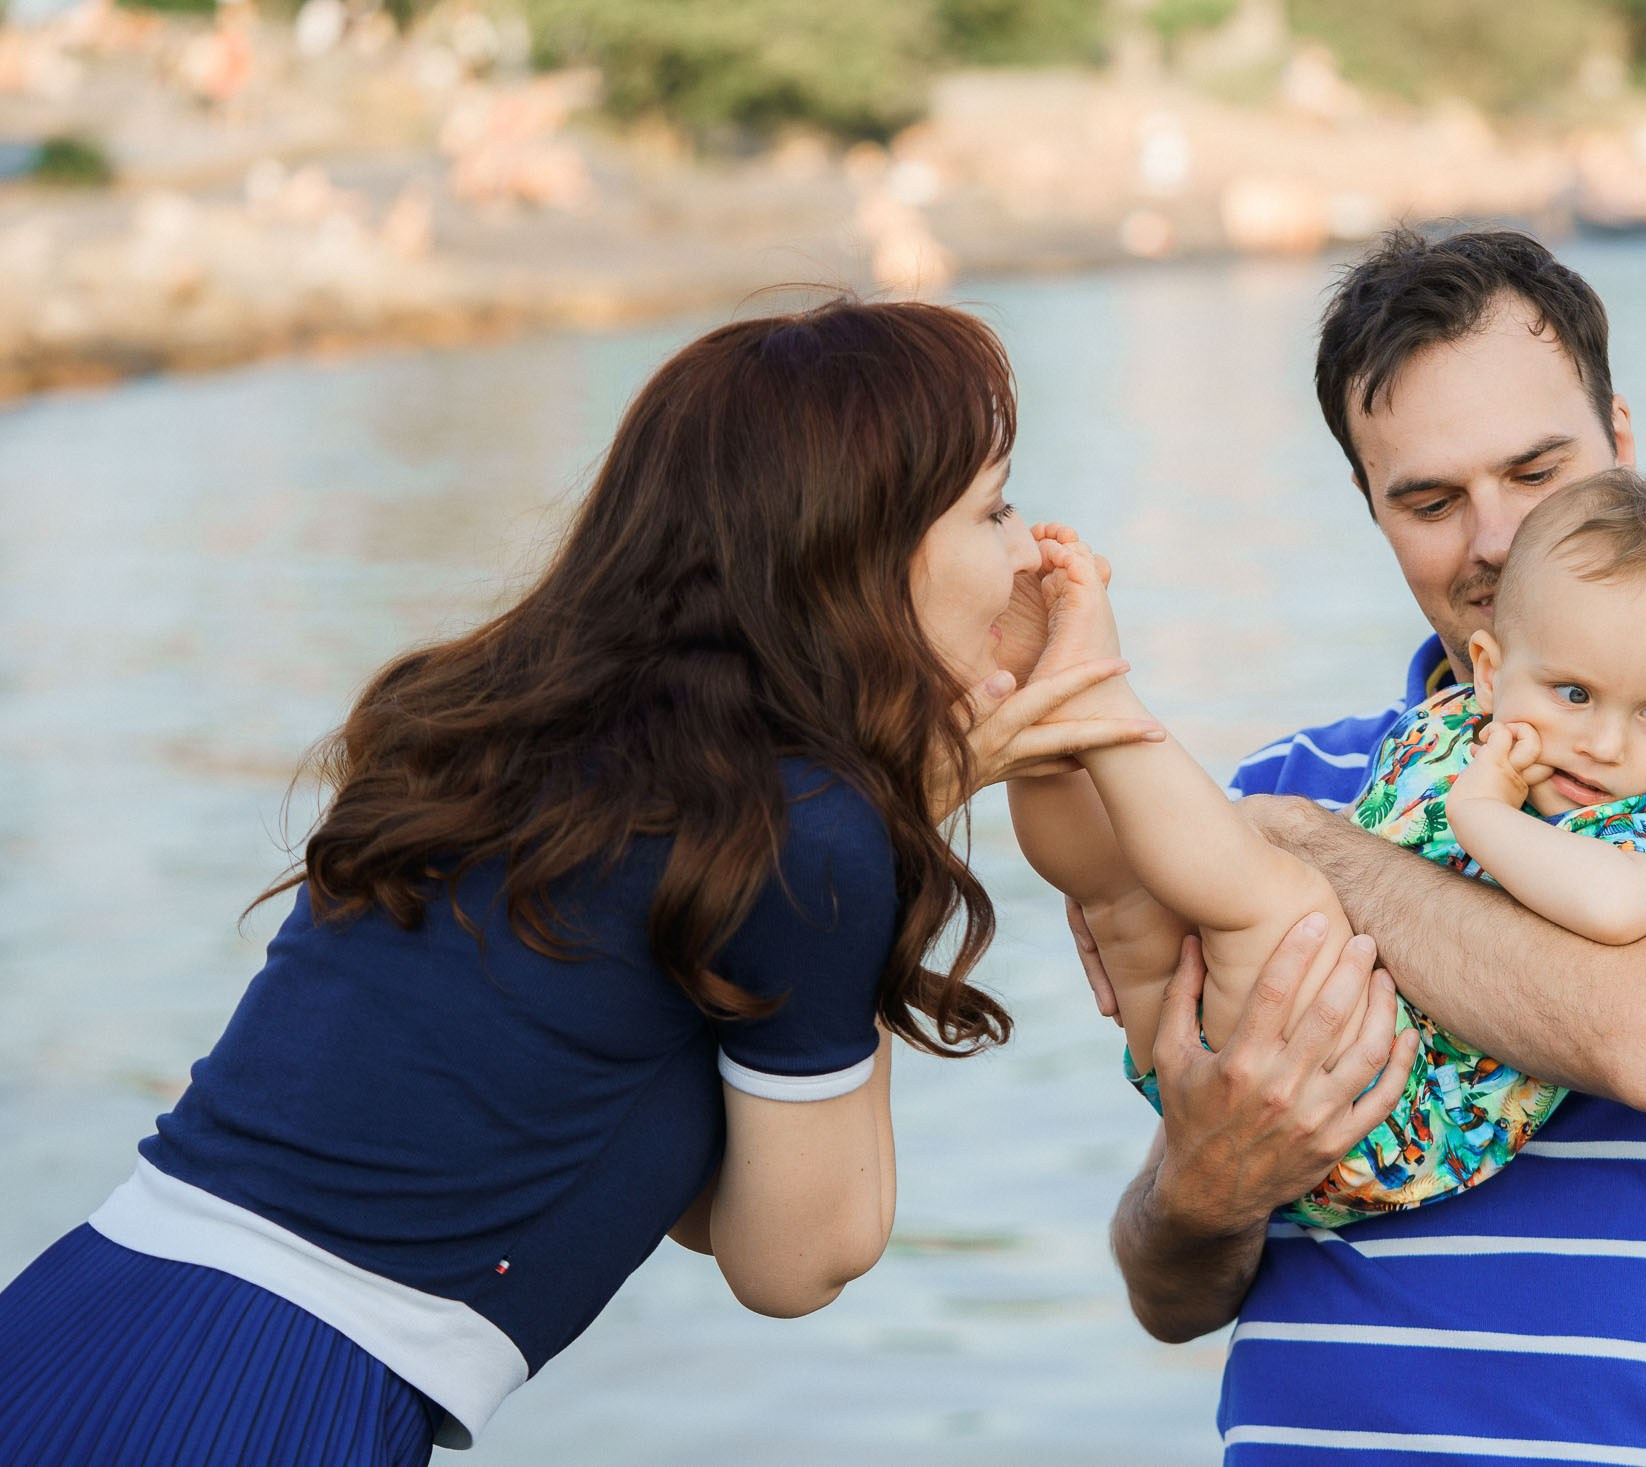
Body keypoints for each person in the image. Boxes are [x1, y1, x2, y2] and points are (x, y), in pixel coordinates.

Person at [0, 298, 1178, 1465]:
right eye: (996, 508)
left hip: (80, 1315)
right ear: (860, 544)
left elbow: (693, 1195)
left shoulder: (499, 737)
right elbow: (800, 1260)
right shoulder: (805, 833)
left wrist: (890, 809)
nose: (1035, 551)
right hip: (268, 1398)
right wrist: (893, 827)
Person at [1094, 227, 1646, 1466]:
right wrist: (1198, 1193)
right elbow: (1174, 1298)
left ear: (1621, 447)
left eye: (1538, 469)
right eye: (1428, 498)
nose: (1495, 539)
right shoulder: (1283, 785)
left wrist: (1330, 857)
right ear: (1370, 510)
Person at [1011, 469, 1646, 1227]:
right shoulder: (1447, 728)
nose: (1608, 742)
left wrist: (1485, 812)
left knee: (1274, 901)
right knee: (1124, 902)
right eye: (1575, 694)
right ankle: (1044, 720)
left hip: (1397, 1110)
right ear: (1488, 673)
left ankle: (1105, 699)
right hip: (1228, 1090)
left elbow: (1618, 906)